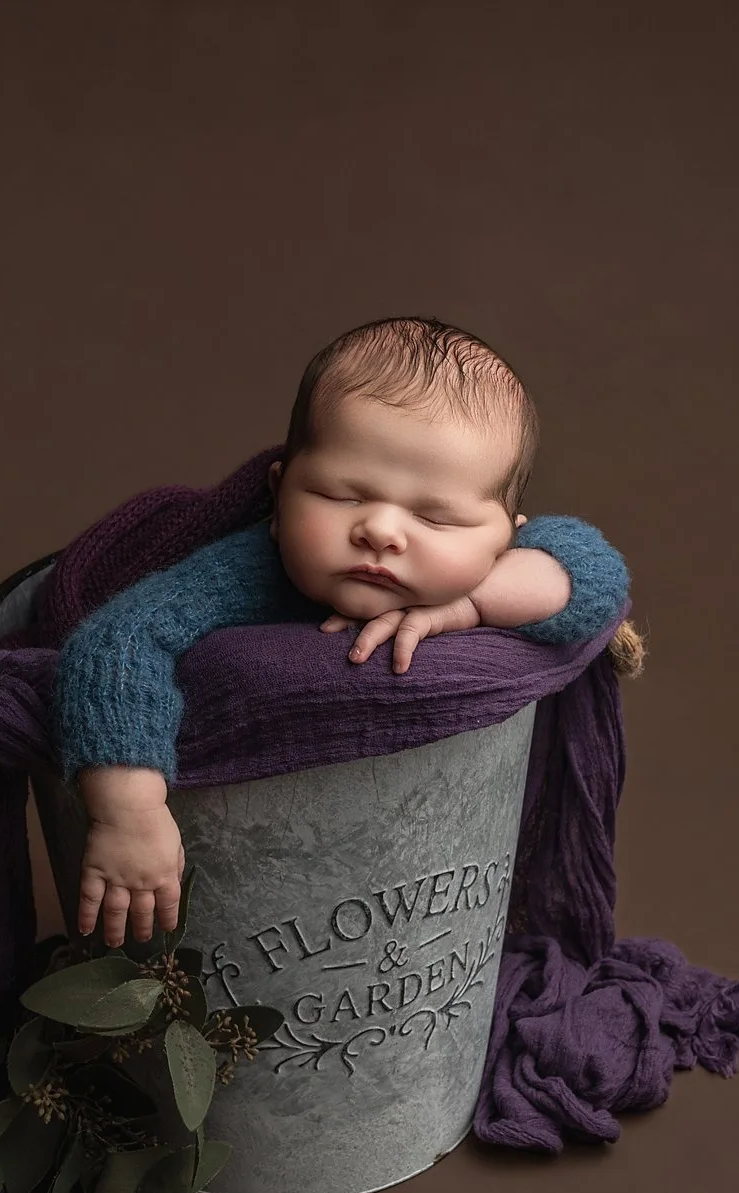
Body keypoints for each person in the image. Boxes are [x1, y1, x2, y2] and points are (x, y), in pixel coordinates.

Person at [52, 316, 630, 948]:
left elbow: (591, 574)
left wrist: (467, 605)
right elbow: (118, 642)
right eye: (339, 496)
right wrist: (129, 814)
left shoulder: (502, 569)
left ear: (507, 537)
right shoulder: (245, 572)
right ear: (280, 494)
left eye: (435, 516)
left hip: (435, 885)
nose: (381, 530)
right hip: (263, 908)